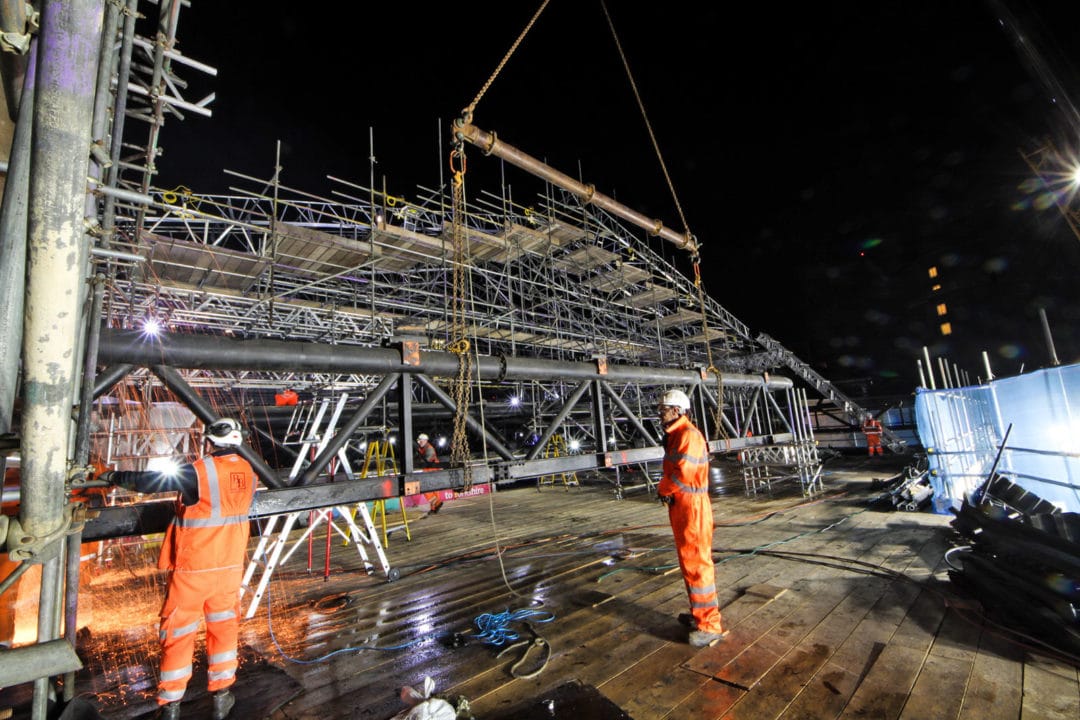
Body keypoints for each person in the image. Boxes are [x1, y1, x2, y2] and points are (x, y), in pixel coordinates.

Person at [99, 418, 258, 720]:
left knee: (178, 631)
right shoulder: (249, 472)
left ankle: (171, 705)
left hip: (195, 568)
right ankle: (222, 696)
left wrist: (112, 475)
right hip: (230, 566)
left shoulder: (197, 471)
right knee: (224, 627)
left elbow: (146, 483)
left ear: (208, 441)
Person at [655, 389, 727, 647]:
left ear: (677, 410)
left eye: (664, 409)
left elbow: (682, 475)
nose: (659, 413)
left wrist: (663, 488)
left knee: (697, 566)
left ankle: (709, 625)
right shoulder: (676, 436)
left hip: (692, 509)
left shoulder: (688, 436)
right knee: (689, 564)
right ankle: (700, 617)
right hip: (682, 506)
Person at [415, 433, 444, 514]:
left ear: (425, 440)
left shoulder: (429, 449)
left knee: (431, 489)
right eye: (419, 440)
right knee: (431, 490)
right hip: (429, 470)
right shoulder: (421, 448)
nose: (420, 442)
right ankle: (435, 505)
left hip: (432, 471)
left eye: (421, 440)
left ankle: (435, 507)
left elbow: (427, 460)